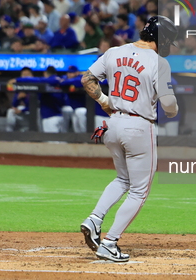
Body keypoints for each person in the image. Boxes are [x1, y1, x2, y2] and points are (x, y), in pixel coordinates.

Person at [80, 15, 178, 262]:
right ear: (162, 38)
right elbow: (168, 104)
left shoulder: (114, 51)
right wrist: (172, 109)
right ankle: (110, 242)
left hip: (112, 124)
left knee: (123, 179)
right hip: (139, 126)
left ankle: (94, 218)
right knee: (139, 191)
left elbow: (86, 79)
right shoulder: (159, 62)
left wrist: (104, 101)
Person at [16, 66, 66, 133]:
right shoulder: (60, 80)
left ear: (45, 73)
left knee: (53, 141)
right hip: (57, 116)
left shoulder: (50, 81)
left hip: (50, 117)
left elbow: (39, 80)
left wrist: (17, 80)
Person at [6, 67, 34, 132]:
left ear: (32, 76)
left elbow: (36, 106)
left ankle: (38, 133)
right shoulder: (20, 87)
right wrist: (18, 98)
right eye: (24, 75)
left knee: (38, 111)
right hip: (26, 112)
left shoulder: (37, 85)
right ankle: (9, 133)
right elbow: (14, 105)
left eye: (28, 74)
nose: (26, 77)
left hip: (34, 112)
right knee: (11, 111)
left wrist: (22, 110)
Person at [61, 65, 87, 133]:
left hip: (84, 108)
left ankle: (86, 140)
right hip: (74, 109)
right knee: (76, 129)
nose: (69, 74)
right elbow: (60, 80)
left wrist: (65, 81)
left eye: (71, 73)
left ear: (77, 73)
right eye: (68, 73)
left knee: (82, 128)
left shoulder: (80, 78)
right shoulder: (66, 78)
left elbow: (77, 81)